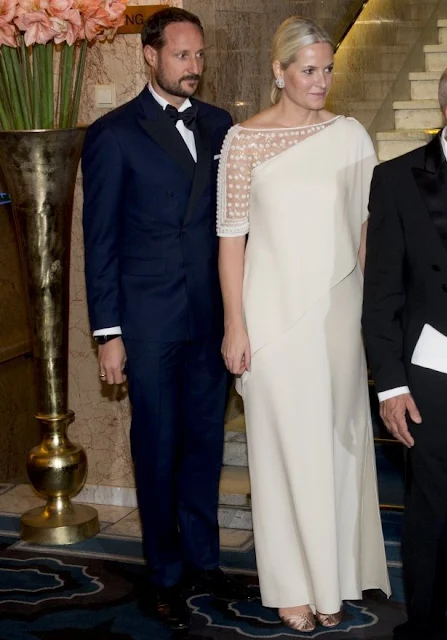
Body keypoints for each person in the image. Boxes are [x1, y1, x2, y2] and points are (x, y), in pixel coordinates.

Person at [217, 15, 391, 632]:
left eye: (328, 69)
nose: (322, 81)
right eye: (309, 70)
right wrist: (235, 326)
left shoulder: (352, 137)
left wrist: (378, 325)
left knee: (337, 450)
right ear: (279, 72)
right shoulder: (243, 142)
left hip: (339, 318)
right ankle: (291, 583)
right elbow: (231, 242)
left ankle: (333, 577)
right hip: (271, 322)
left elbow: (369, 238)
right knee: (281, 450)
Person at [82, 7, 248, 631]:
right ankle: (165, 572)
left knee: (205, 443)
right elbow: (100, 242)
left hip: (208, 317)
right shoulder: (114, 134)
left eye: (199, 56)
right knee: (157, 446)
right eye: (183, 55)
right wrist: (109, 333)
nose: (194, 67)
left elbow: (233, 225)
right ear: (149, 56)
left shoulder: (222, 125)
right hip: (147, 323)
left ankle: (205, 559)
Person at [363, 65, 447, 640]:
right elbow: (382, 294)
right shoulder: (396, 179)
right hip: (435, 373)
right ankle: (424, 626)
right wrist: (390, 385)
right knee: (434, 509)